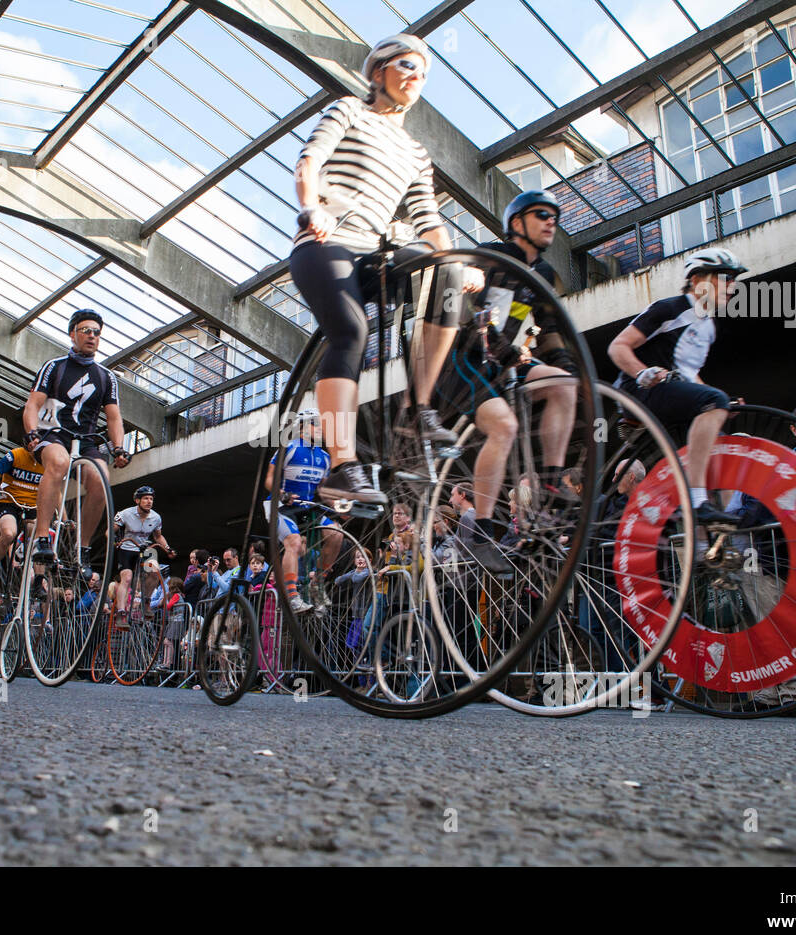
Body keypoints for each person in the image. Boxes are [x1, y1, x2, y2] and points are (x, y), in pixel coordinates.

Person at [290, 33, 483, 507]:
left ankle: (418, 410)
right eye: (405, 66)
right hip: (327, 243)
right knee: (351, 333)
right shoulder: (349, 111)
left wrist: (454, 262)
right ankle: (341, 465)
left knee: (449, 277)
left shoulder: (417, 154)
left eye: (423, 72)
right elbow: (309, 160)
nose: (416, 77)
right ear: (378, 72)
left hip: (377, 253)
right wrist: (311, 207)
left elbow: (429, 221)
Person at [435, 190, 579, 559]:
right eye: (542, 214)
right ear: (517, 223)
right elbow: (469, 308)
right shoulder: (492, 256)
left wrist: (566, 367)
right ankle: (482, 527)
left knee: (564, 386)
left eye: (555, 217)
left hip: (506, 360)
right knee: (505, 427)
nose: (552, 221)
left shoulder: (544, 273)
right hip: (465, 358)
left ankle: (550, 479)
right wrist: (501, 346)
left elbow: (548, 328)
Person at [608, 247, 747, 528]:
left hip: (668, 393)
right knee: (712, 402)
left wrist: (722, 403)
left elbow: (690, 374)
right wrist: (642, 372)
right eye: (724, 277)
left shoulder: (708, 327)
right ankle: (698, 503)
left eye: (734, 279)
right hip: (637, 392)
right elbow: (618, 347)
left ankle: (706, 531)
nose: (732, 285)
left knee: (716, 437)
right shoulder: (669, 309)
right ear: (696, 280)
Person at [23, 309, 130, 566]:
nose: (92, 336)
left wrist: (119, 448)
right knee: (58, 462)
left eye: (97, 333)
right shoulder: (54, 367)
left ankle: (81, 548)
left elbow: (114, 417)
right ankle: (42, 538)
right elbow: (32, 405)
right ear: (73, 334)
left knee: (101, 480)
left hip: (85, 439)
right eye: (86, 331)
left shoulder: (106, 377)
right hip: (52, 433)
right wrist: (31, 432)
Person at [262, 408, 342, 613]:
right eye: (313, 424)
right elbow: (269, 479)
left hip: (306, 507)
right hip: (281, 506)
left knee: (335, 534)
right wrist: (283, 494)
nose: (318, 429)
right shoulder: (288, 448)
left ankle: (317, 583)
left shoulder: (324, 457)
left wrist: (340, 505)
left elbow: (323, 489)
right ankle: (291, 595)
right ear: (301, 427)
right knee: (295, 542)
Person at [0, 435, 44, 591]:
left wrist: (64, 518)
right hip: (8, 502)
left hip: (32, 505)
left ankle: (39, 582)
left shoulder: (47, 461)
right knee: (8, 534)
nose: (35, 445)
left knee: (39, 539)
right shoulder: (14, 455)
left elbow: (56, 492)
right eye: (31, 443)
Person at [112, 485, 174, 627]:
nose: (149, 501)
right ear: (137, 501)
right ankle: (121, 613)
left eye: (151, 499)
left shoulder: (156, 517)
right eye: (145, 498)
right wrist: (113, 540)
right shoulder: (125, 514)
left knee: (154, 572)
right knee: (126, 578)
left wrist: (168, 548)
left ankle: (146, 602)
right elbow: (110, 530)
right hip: (127, 548)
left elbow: (158, 537)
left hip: (145, 548)